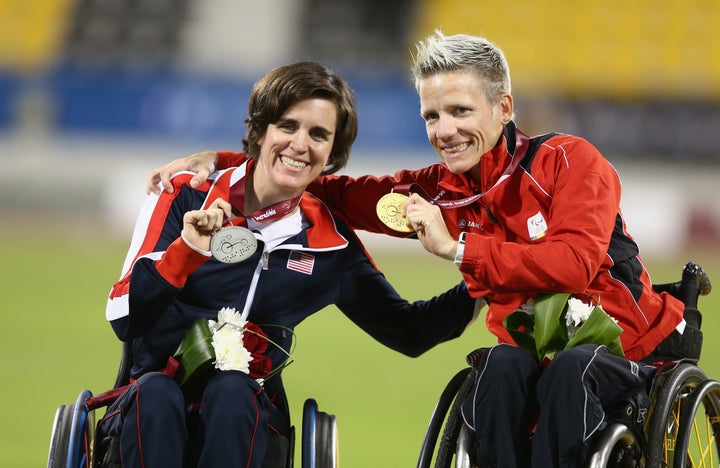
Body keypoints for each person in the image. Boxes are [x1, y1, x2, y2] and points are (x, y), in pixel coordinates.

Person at [145, 32, 695, 467]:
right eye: (432, 116)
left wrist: (460, 251)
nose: (445, 130)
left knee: (571, 369)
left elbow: (575, 265)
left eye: (460, 111)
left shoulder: (570, 162)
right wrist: (227, 162)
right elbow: (317, 180)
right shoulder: (436, 192)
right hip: (530, 353)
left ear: (503, 107)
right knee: (500, 366)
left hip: (625, 345)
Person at [104, 60, 480, 468]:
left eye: (318, 134)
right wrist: (188, 249)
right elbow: (125, 317)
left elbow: (409, 330)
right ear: (260, 130)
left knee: (233, 390)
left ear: (332, 153)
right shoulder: (186, 196)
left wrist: (489, 275)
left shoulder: (329, 242)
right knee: (157, 394)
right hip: (148, 407)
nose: (301, 145)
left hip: (249, 420)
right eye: (287, 126)